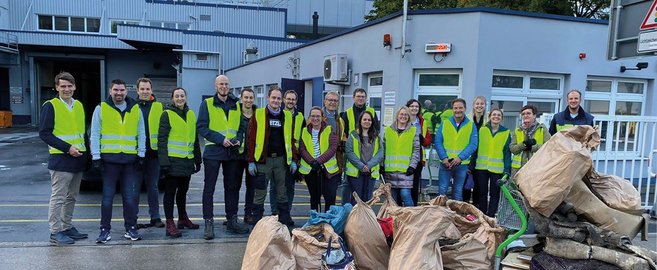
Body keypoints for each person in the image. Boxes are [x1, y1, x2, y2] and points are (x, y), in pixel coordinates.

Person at [91, 79, 146, 243]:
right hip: (109, 161)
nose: (119, 93)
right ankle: (104, 230)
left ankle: (131, 228)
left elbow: (141, 132)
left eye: (122, 90)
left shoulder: (135, 109)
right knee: (107, 198)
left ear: (126, 91)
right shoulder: (101, 108)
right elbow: (95, 134)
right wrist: (96, 157)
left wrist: (141, 154)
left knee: (130, 198)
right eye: (116, 90)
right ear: (110, 91)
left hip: (130, 161)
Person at [38, 71, 89, 245]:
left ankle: (66, 227)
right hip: (61, 159)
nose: (66, 89)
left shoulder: (79, 105)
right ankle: (55, 232)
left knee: (71, 197)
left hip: (78, 159)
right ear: (56, 87)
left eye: (69, 86)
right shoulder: (50, 106)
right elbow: (44, 133)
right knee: (58, 197)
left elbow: (82, 133)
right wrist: (68, 148)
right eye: (63, 86)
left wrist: (86, 155)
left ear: (74, 87)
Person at [197, 75, 249, 239]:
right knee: (209, 189)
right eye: (221, 84)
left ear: (229, 86)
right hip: (213, 150)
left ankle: (232, 220)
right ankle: (209, 222)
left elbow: (241, 127)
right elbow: (202, 127)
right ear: (215, 86)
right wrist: (221, 140)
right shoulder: (207, 104)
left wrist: (239, 139)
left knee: (232, 188)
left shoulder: (236, 104)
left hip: (232, 152)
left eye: (226, 84)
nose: (224, 86)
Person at [246, 87, 297, 227]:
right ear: (268, 98)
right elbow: (251, 139)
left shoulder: (287, 116)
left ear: (282, 100)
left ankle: (283, 222)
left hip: (281, 161)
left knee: (282, 192)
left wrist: (293, 160)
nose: (276, 101)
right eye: (273, 98)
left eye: (278, 98)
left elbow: (290, 139)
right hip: (263, 161)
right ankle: (257, 224)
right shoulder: (259, 114)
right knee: (260, 193)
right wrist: (251, 161)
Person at [157, 87, 202, 238]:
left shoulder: (190, 114)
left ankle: (182, 218)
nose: (180, 98)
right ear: (172, 98)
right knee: (170, 193)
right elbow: (161, 140)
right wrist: (164, 162)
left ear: (186, 97)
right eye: (177, 96)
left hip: (187, 162)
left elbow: (194, 138)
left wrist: (198, 159)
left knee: (183, 192)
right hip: (172, 162)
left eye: (182, 96)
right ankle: (170, 223)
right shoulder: (166, 114)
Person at [340, 88, 379, 205]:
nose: (360, 98)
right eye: (358, 96)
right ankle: (346, 211)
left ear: (366, 98)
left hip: (368, 154)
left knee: (365, 192)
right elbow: (344, 134)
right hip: (353, 156)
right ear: (353, 98)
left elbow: (376, 130)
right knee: (348, 188)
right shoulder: (346, 113)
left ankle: (363, 217)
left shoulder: (371, 111)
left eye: (362, 96)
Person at [434, 98, 478, 201]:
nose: (458, 110)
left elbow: (473, 144)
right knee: (442, 191)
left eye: (460, 108)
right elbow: (438, 141)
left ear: (465, 109)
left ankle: (455, 216)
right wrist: (444, 158)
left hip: (461, 164)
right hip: (446, 163)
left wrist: (460, 158)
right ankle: (440, 215)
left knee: (458, 193)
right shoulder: (444, 123)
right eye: (455, 108)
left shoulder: (471, 125)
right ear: (452, 109)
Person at [135, 78, 164, 229]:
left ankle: (155, 217)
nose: (145, 92)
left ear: (151, 90)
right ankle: (133, 218)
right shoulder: (131, 107)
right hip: (136, 154)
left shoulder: (159, 107)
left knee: (153, 187)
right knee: (134, 188)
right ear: (137, 90)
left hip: (153, 154)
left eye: (148, 89)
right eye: (142, 89)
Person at [270, 90, 305, 216]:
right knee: (275, 186)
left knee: (289, 187)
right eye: (288, 99)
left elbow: (303, 138)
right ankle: (275, 213)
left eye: (293, 99)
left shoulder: (300, 117)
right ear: (284, 100)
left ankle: (286, 212)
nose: (291, 101)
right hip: (279, 155)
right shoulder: (278, 114)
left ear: (296, 101)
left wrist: (298, 159)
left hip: (294, 157)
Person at [298, 107, 340, 211]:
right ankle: (315, 222)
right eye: (313, 116)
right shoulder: (304, 131)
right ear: (309, 117)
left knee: (330, 198)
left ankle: (328, 222)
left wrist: (319, 161)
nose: (315, 118)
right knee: (314, 199)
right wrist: (312, 161)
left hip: (328, 171)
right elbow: (302, 148)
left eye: (318, 116)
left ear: (322, 117)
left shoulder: (330, 130)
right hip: (311, 169)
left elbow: (333, 148)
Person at [471, 108, 511, 217]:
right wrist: (471, 165)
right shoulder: (482, 129)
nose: (496, 117)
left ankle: (491, 215)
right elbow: (476, 148)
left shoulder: (506, 132)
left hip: (497, 168)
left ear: (501, 118)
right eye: (494, 115)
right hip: (481, 167)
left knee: (495, 194)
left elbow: (507, 153)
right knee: (482, 192)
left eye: (499, 115)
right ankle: (483, 214)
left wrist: (507, 170)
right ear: (489, 117)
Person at [383, 106, 420, 207]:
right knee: (392, 199)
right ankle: (394, 220)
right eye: (401, 114)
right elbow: (383, 149)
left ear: (408, 117)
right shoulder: (388, 130)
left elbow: (416, 151)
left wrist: (412, 166)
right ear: (397, 116)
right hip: (390, 170)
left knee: (405, 195)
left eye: (406, 115)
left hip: (406, 170)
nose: (403, 116)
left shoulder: (413, 130)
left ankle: (412, 218)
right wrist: (381, 165)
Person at [345, 110, 383, 204]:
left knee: (368, 199)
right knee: (356, 200)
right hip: (356, 172)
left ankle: (365, 219)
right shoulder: (353, 135)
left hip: (371, 172)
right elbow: (349, 152)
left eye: (369, 120)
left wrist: (369, 165)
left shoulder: (376, 136)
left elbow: (380, 153)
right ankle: (355, 219)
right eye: (364, 119)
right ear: (360, 121)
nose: (367, 121)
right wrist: (361, 166)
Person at [235, 88, 257, 224]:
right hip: (237, 156)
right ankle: (231, 215)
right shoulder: (235, 113)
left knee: (252, 187)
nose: (248, 100)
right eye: (246, 97)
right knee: (234, 186)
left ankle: (248, 214)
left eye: (250, 98)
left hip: (253, 157)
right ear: (241, 98)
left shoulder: (258, 114)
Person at [510, 104, 551, 176]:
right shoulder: (517, 130)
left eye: (528, 113)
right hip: (519, 169)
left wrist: (533, 147)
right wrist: (523, 145)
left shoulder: (542, 129)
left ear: (534, 115)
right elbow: (513, 149)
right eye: (523, 114)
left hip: (537, 169)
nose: (525, 115)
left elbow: (550, 147)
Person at [406, 99, 432, 205]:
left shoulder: (422, 122)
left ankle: (413, 209)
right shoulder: (403, 119)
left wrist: (422, 139)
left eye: (416, 106)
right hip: (403, 158)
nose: (414, 108)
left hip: (417, 158)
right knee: (403, 187)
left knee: (414, 186)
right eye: (412, 106)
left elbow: (428, 141)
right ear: (408, 107)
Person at [464, 96, 487, 206]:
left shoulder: (488, 121)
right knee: (465, 187)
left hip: (481, 159)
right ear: (473, 105)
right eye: (477, 103)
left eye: (482, 103)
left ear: (485, 106)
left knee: (479, 188)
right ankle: (464, 211)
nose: (479, 106)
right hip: (468, 157)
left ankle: (476, 211)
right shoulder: (467, 119)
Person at [323, 92, 346, 176]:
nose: (333, 102)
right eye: (330, 100)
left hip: (336, 159)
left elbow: (342, 137)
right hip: (321, 158)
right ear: (325, 101)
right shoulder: (317, 117)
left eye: (335, 100)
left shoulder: (340, 120)